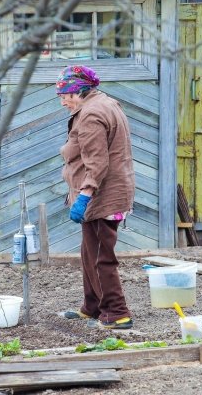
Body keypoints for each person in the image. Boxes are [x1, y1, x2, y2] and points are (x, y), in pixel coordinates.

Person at [56, 65, 135, 329]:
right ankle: (92, 307)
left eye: (67, 95)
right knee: (89, 253)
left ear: (81, 91)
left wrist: (84, 196)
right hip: (110, 191)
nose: (63, 101)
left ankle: (117, 313)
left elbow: (97, 163)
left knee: (101, 256)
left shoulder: (90, 114)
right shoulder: (106, 103)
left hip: (102, 196)